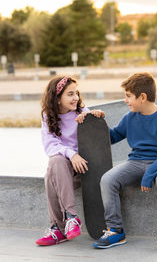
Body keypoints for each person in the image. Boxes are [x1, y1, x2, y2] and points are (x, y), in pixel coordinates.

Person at [93, 72, 157, 255]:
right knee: (107, 180)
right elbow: (113, 136)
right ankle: (116, 231)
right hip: (136, 162)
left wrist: (149, 175)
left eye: (128, 96)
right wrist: (96, 121)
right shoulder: (130, 117)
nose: (125, 100)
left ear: (142, 97)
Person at [35, 76, 104, 246]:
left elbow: (97, 141)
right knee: (55, 163)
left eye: (77, 93)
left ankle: (58, 228)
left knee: (51, 171)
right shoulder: (48, 118)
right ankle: (70, 218)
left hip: (84, 170)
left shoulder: (81, 113)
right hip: (63, 172)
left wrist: (95, 118)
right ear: (57, 99)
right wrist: (71, 154)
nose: (76, 98)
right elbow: (50, 146)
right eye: (70, 94)